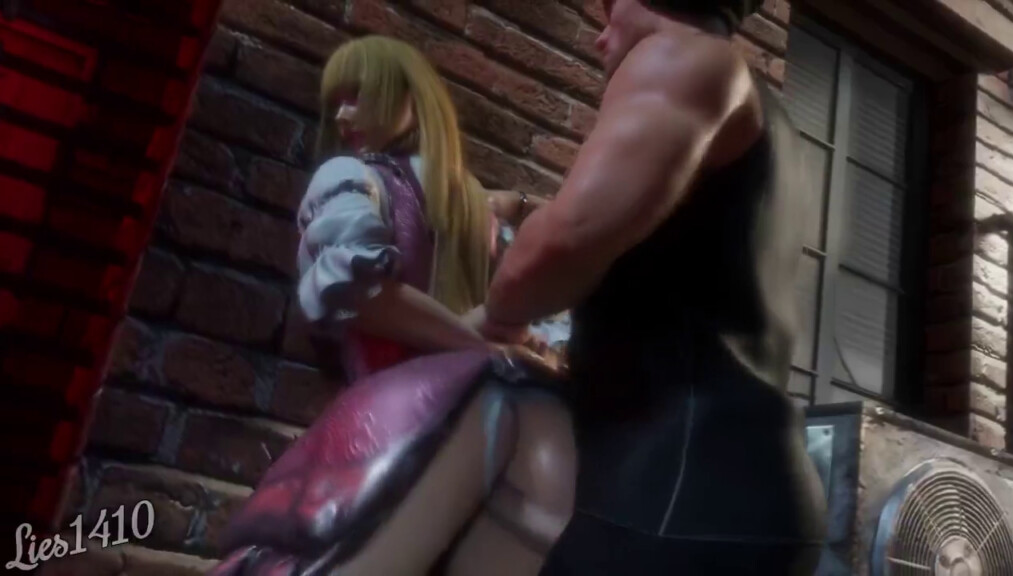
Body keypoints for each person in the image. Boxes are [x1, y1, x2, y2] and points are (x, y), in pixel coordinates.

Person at [479, 0, 829, 574]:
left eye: (610, 10)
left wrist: (499, 309)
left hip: (674, 496)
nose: (601, 37)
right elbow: (656, 245)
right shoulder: (769, 118)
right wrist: (525, 207)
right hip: (744, 490)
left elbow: (545, 259)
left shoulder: (685, 60)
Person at [209, 36, 576, 576]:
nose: (342, 115)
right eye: (336, 102)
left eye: (358, 95)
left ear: (411, 97)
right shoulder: (455, 203)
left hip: (395, 418)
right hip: (450, 414)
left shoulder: (371, 184)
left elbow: (366, 297)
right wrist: (486, 347)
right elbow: (370, 297)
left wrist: (492, 343)